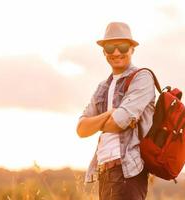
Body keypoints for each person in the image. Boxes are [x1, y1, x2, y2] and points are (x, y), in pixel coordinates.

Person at [76, 22, 156, 200]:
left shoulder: (142, 78)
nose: (116, 52)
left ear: (132, 49)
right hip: (104, 171)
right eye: (110, 47)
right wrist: (109, 113)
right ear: (104, 51)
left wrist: (98, 122)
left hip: (128, 172)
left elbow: (119, 122)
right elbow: (81, 129)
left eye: (123, 46)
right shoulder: (102, 87)